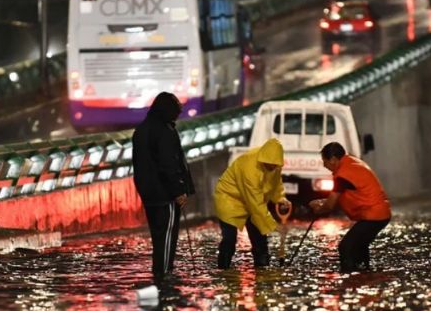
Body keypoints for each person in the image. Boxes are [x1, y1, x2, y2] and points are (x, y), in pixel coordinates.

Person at [132, 91, 195, 278]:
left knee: (158, 237)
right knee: (167, 236)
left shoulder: (141, 130)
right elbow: (168, 164)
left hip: (148, 194)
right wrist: (179, 191)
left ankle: (159, 271)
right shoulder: (164, 131)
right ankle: (164, 273)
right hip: (165, 194)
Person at [308, 142, 391, 272]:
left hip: (373, 215)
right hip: (380, 214)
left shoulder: (343, 175)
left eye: (325, 161)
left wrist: (319, 208)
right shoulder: (351, 164)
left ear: (334, 159)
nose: (324, 165)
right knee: (359, 245)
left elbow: (330, 205)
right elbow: (340, 197)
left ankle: (349, 277)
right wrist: (321, 202)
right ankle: (364, 275)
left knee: (346, 247)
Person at [214, 138, 291, 269]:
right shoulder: (249, 167)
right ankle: (223, 270)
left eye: (275, 165)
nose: (272, 167)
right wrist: (275, 226)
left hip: (252, 201)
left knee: (260, 239)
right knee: (229, 239)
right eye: (269, 164)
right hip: (230, 199)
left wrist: (280, 199)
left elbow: (276, 184)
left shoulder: (275, 165)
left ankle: (262, 270)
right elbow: (255, 205)